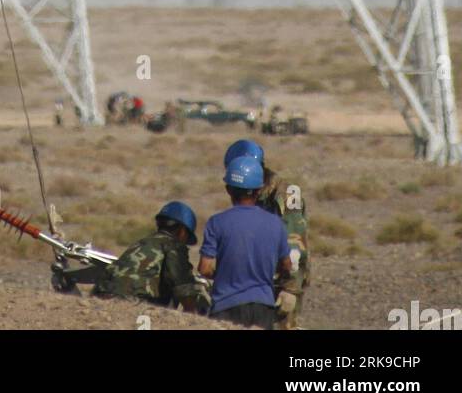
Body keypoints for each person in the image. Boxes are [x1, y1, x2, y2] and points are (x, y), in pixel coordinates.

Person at [53, 202, 209, 312]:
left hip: (99, 301)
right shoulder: (173, 246)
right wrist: (192, 316)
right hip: (133, 308)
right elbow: (183, 287)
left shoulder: (141, 244)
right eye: (186, 238)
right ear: (182, 231)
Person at [224, 138, 310, 329]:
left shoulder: (286, 195)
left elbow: (295, 243)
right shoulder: (246, 192)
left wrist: (290, 289)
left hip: (282, 279)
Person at [198, 155, 291, 329]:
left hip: (225, 306)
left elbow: (205, 268)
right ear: (258, 190)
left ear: (228, 190)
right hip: (263, 308)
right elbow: (286, 265)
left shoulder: (216, 223)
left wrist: (225, 274)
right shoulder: (276, 223)